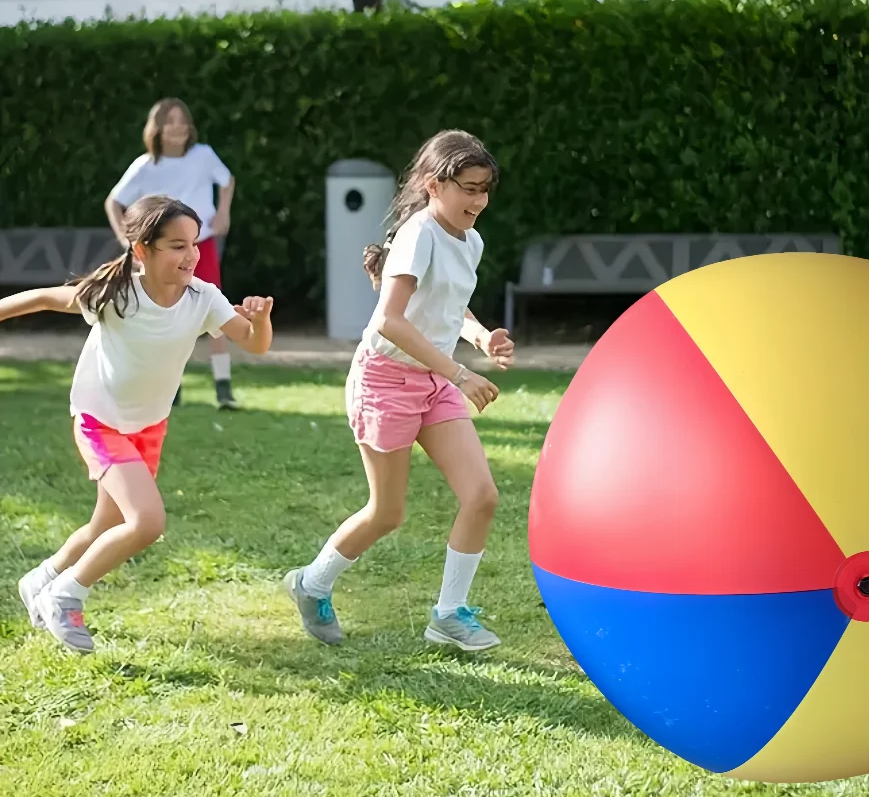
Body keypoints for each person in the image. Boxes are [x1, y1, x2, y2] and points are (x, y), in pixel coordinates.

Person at [4, 195, 274, 655]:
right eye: (175, 246)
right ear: (142, 250)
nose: (190, 255)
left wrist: (262, 320)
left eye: (193, 244)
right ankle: (65, 596)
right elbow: (46, 297)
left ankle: (41, 579)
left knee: (105, 524)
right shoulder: (117, 294)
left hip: (148, 426)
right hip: (99, 420)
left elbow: (256, 344)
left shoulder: (202, 297)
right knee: (147, 521)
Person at [284, 129, 514, 652]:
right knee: (386, 513)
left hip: (433, 381)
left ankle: (449, 614)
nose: (478, 201)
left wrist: (480, 336)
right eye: (469, 188)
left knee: (481, 496)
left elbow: (445, 305)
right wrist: (460, 373)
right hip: (385, 380)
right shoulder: (418, 234)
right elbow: (389, 321)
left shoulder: (469, 239)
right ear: (435, 185)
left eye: (485, 190)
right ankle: (311, 583)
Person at [105, 96, 240, 410]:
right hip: (162, 251)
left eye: (183, 121)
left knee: (215, 311)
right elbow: (114, 201)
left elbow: (227, 180)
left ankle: (223, 387)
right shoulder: (146, 165)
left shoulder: (204, 156)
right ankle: (170, 386)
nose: (178, 127)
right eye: (171, 121)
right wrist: (126, 239)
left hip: (201, 244)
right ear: (157, 128)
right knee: (167, 313)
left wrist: (223, 212)